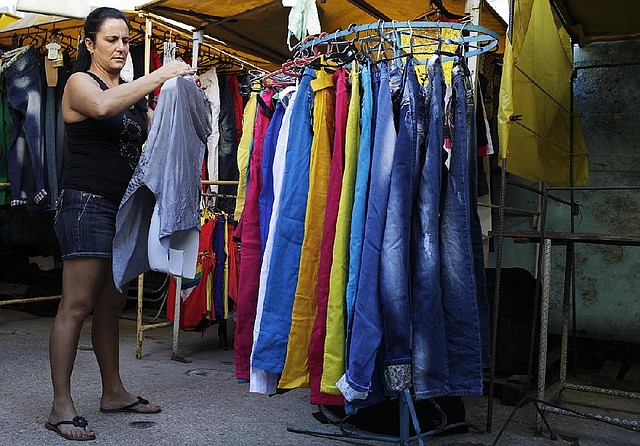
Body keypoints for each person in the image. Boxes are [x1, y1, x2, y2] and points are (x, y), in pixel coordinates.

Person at [46, 7, 196, 441]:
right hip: (86, 204)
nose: (120, 47)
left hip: (124, 207)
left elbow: (156, 139)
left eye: (125, 41)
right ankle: (60, 407)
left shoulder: (131, 94)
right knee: (76, 304)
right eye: (111, 40)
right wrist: (161, 75)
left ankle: (113, 391)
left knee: (112, 303)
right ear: (90, 44)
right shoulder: (81, 84)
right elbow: (102, 106)